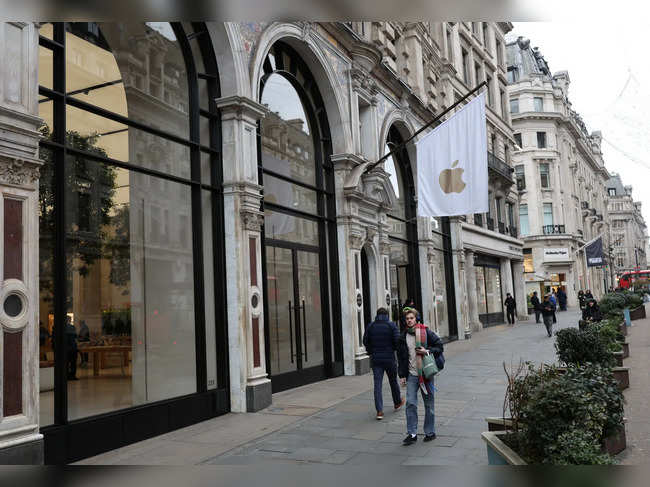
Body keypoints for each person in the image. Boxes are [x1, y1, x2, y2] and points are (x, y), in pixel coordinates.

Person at [397, 309, 444, 445]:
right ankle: (412, 434)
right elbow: (401, 358)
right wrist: (402, 375)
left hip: (426, 374)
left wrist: (427, 351)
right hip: (412, 375)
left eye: (411, 318)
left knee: (429, 405)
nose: (409, 320)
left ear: (416, 319)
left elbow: (439, 346)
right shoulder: (402, 337)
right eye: (407, 319)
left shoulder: (426, 332)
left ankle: (430, 432)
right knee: (410, 403)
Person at [362, 308, 404, 420]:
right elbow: (397, 341)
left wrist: (371, 351)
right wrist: (392, 350)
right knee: (393, 381)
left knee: (377, 385)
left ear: (377, 315)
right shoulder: (392, 326)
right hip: (389, 358)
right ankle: (397, 402)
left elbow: (365, 341)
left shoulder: (371, 326)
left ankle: (379, 411)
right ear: (387, 315)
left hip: (376, 360)